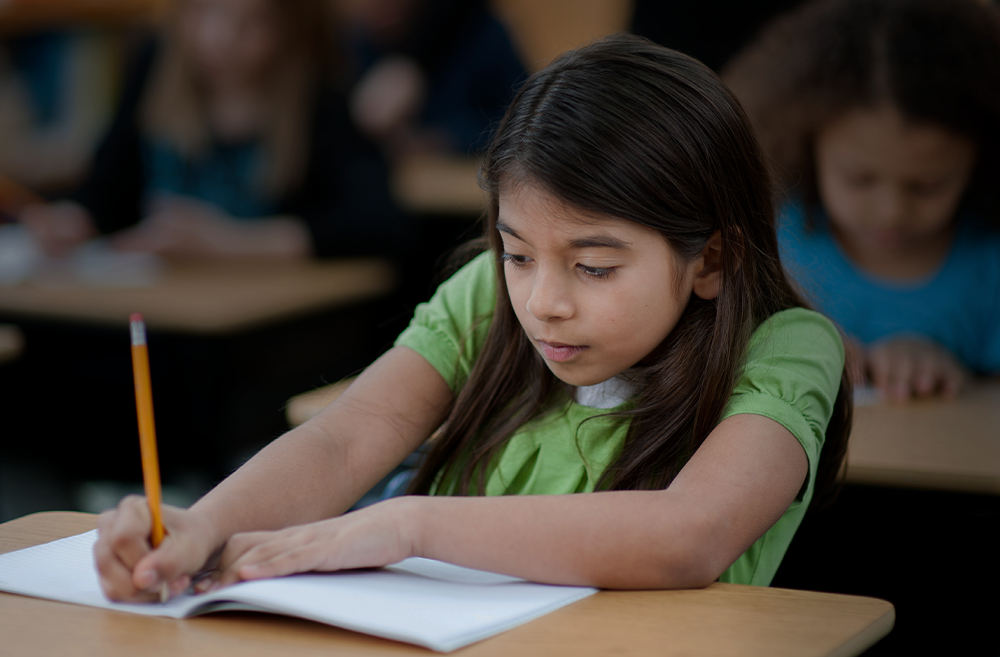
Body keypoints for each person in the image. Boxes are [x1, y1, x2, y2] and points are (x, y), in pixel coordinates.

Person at [92, 35, 851, 601]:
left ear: (711, 259)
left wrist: (411, 524)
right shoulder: (491, 293)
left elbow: (692, 535)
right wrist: (202, 525)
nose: (542, 300)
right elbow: (345, 438)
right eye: (519, 252)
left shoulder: (784, 345)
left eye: (595, 266)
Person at [723, 0, 1000, 401]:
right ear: (805, 145)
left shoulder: (988, 266)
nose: (891, 212)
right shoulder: (765, 239)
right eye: (859, 179)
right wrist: (786, 349)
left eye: (927, 185)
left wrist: (952, 376)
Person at [19, 0, 402, 260]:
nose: (217, 39)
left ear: (289, 26)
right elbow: (107, 191)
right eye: (201, 10)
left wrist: (229, 243)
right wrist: (73, 221)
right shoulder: (155, 66)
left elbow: (376, 223)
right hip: (158, 304)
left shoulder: (317, 97)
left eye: (249, 23)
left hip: (255, 320)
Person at [340, 0, 526, 157]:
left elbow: (525, 121)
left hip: (465, 187)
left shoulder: (479, 31)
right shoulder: (352, 45)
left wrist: (448, 138)